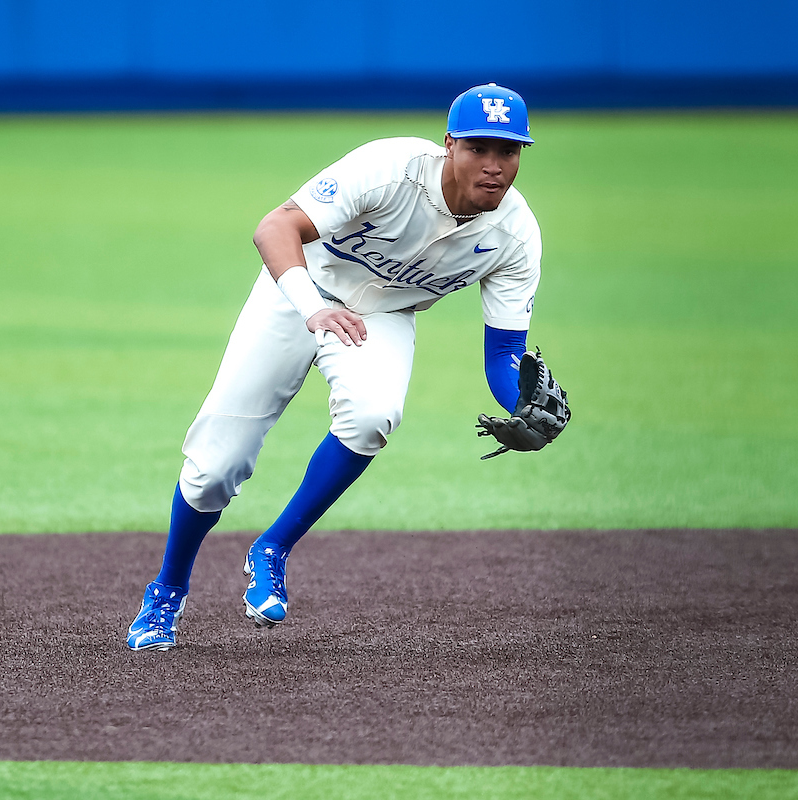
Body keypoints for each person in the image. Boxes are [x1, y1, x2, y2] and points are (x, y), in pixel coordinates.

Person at [127, 83, 566, 651]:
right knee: (216, 465)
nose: (493, 165)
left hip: (382, 315)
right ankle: (166, 591)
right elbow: (275, 227)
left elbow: (504, 355)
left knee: (374, 415)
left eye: (507, 151)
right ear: (449, 144)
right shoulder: (390, 168)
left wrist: (523, 408)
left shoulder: (515, 235)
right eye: (478, 148)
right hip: (300, 288)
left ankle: (273, 547)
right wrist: (313, 308)